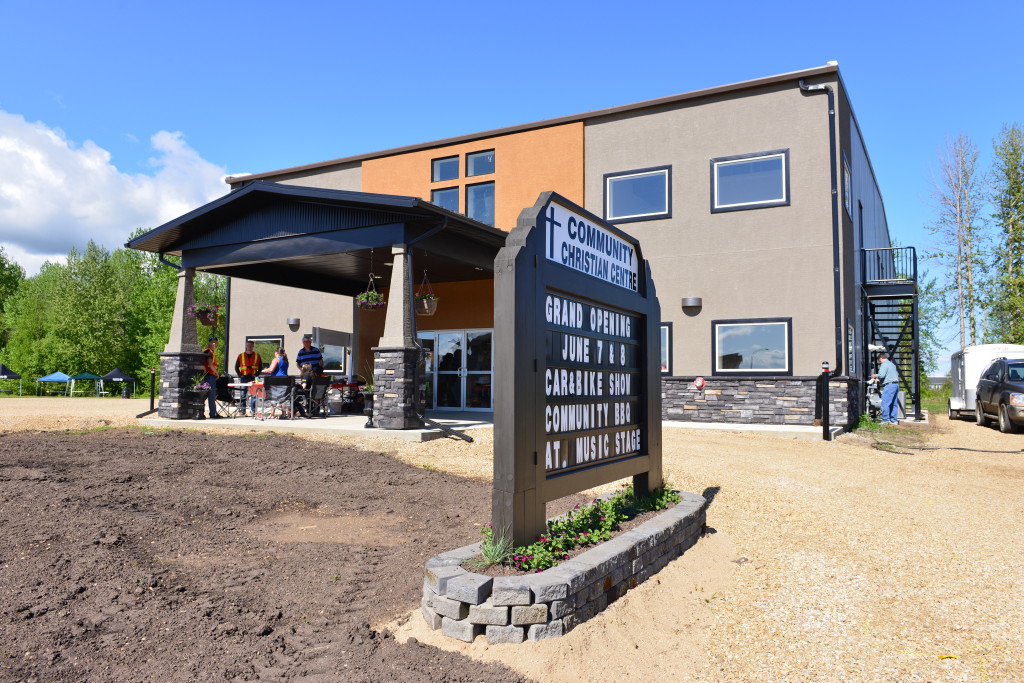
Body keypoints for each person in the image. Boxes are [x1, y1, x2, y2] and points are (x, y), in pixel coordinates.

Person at [872, 351, 901, 425]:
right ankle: (894, 420)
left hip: (889, 386)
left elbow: (881, 375)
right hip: (895, 385)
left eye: (879, 360)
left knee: (885, 403)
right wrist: (881, 381)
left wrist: (875, 375)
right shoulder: (892, 364)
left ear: (881, 358)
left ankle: (885, 420)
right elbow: (889, 375)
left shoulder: (884, 364)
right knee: (893, 403)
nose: (880, 362)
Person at [202, 336, 222, 419]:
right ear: (209, 343)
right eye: (212, 342)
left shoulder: (210, 351)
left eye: (215, 342)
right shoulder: (208, 352)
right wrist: (216, 373)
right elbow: (210, 364)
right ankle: (213, 414)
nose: (214, 344)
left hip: (208, 376)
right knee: (211, 395)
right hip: (209, 376)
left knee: (205, 395)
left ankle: (203, 413)